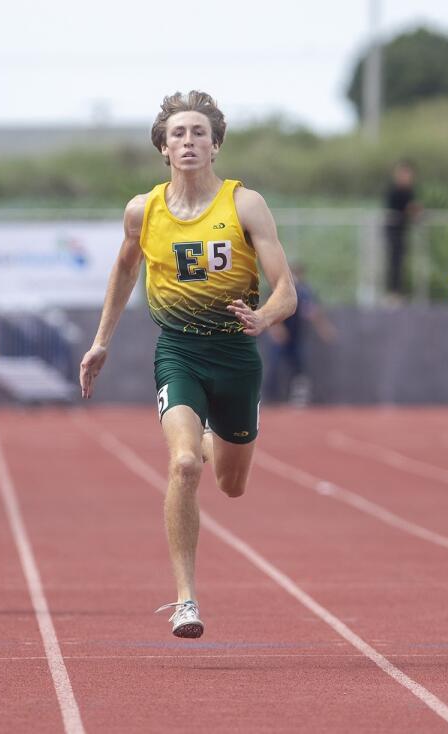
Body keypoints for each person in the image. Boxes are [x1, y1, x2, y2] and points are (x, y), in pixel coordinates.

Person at [79, 91, 297, 638]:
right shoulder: (142, 211)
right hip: (178, 350)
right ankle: (185, 601)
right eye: (178, 134)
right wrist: (101, 340)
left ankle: (213, 437)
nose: (189, 142)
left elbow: (286, 291)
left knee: (231, 483)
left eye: (199, 132)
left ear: (216, 143)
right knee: (183, 465)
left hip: (236, 355)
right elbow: (124, 273)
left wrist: (265, 318)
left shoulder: (245, 204)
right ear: (163, 148)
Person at [264, 262, 336, 405]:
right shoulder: (278, 289)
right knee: (274, 364)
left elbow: (313, 311)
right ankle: (270, 398)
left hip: (296, 335)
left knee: (298, 365)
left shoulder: (304, 292)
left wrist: (324, 328)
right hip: (281, 334)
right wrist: (276, 328)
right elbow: (268, 309)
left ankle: (298, 397)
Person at [383, 160, 421, 301]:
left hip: (402, 231)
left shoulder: (409, 191)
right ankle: (393, 293)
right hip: (393, 230)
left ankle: (398, 292)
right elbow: (408, 208)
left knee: (400, 261)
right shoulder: (394, 190)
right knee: (394, 261)